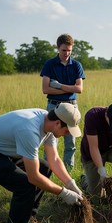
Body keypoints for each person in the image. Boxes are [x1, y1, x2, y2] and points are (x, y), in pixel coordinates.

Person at [0, 103, 83, 223]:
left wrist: (70, 184)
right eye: (67, 131)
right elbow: (34, 177)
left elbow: (54, 158)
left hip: (4, 150)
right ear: (57, 123)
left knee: (45, 168)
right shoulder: (29, 129)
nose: (67, 135)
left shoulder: (48, 124)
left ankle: (29, 218)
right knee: (25, 185)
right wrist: (64, 193)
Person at [40, 34, 86, 169]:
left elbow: (79, 89)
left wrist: (59, 86)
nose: (67, 53)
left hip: (72, 106)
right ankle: (46, 170)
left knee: (70, 143)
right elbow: (45, 89)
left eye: (70, 50)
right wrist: (69, 89)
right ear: (58, 48)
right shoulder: (49, 64)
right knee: (48, 140)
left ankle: (68, 172)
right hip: (53, 105)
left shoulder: (77, 65)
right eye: (64, 50)